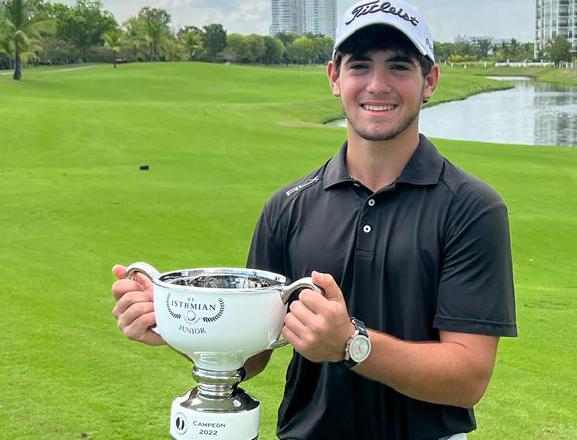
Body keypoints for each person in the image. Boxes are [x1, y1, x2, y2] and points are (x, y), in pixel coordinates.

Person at [111, 1, 517, 439]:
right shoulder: (287, 206)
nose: (377, 85)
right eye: (359, 66)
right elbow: (252, 356)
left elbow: (468, 377)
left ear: (429, 81)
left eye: (399, 66)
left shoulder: (472, 208)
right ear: (334, 78)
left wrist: (350, 345)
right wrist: (178, 322)